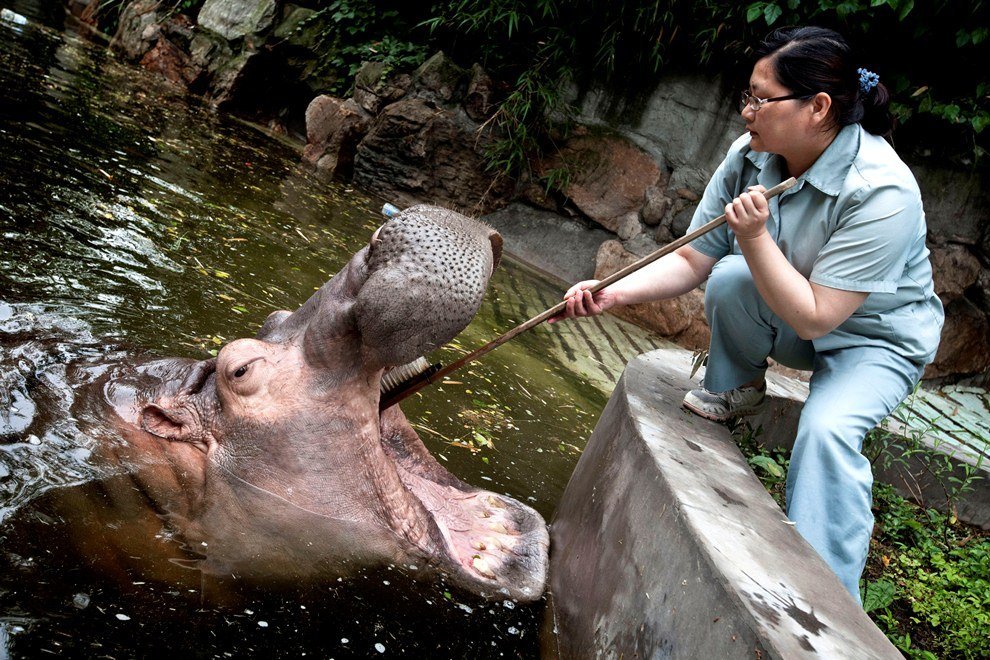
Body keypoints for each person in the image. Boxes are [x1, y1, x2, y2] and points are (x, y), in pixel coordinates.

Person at [550, 26, 944, 602]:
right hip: (800, 313)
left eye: (761, 98)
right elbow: (691, 259)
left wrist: (755, 237)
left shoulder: (883, 192)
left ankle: (827, 598)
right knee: (732, 275)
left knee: (828, 432)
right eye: (747, 95)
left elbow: (816, 317)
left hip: (874, 342)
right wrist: (613, 292)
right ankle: (736, 386)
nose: (746, 111)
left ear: (818, 108)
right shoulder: (750, 156)